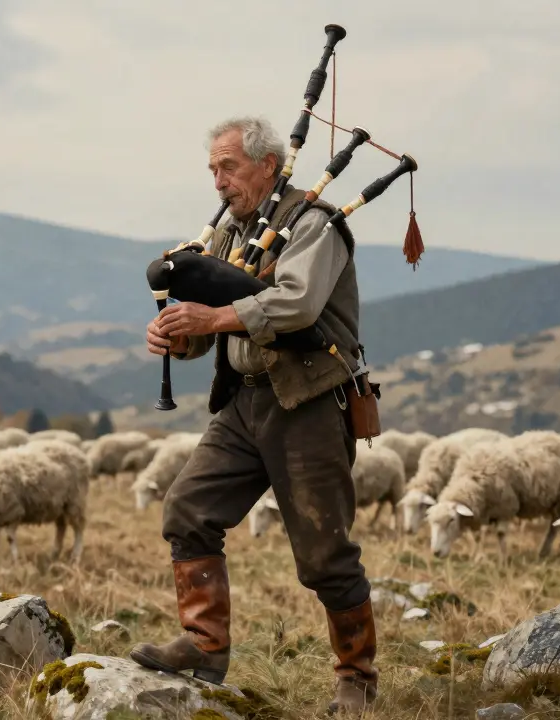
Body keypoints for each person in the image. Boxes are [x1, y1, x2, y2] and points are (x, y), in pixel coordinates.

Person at [130, 116, 377, 715]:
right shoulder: (229, 237)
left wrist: (210, 319)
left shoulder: (314, 225)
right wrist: (176, 335)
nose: (218, 181)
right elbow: (210, 322)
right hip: (246, 399)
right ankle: (203, 646)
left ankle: (357, 678)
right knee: (188, 509)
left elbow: (294, 303)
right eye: (212, 169)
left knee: (324, 554)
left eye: (229, 167)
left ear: (267, 165)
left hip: (310, 402)